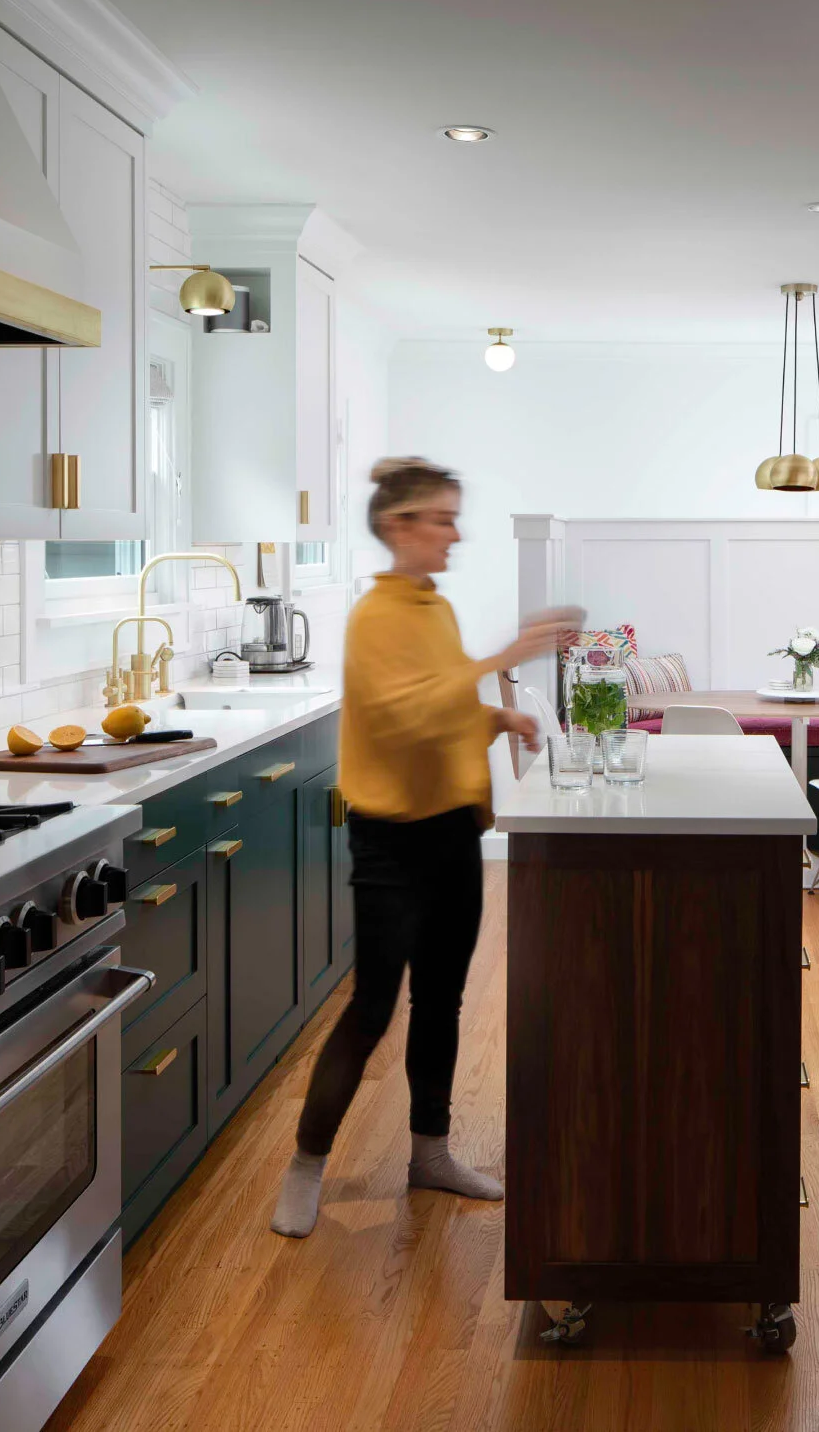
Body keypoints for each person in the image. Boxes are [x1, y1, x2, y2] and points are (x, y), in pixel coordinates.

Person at [271, 456, 574, 1238]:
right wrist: (505, 658)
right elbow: (403, 716)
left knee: (443, 999)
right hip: (391, 842)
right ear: (398, 525)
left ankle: (429, 1155)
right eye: (442, 519)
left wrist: (498, 717)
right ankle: (306, 1164)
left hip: (451, 832)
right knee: (372, 1007)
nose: (454, 534)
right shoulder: (375, 617)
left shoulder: (433, 609)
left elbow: (441, 709)